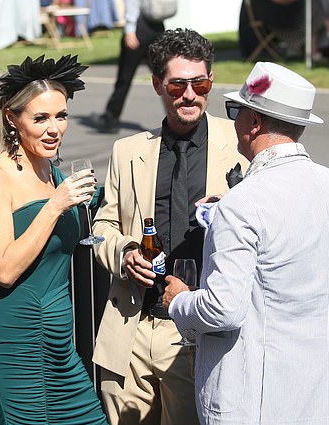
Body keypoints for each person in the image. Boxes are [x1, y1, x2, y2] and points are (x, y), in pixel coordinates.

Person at [163, 62, 329, 424]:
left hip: (258, 406)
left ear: (254, 123)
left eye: (236, 111)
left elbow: (222, 309)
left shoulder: (243, 203)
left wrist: (179, 300)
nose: (234, 122)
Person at [91, 28, 247, 425]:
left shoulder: (241, 144)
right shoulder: (127, 152)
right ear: (158, 83)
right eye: (178, 84)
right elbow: (104, 224)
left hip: (198, 334)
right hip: (131, 332)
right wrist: (125, 253)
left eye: (202, 83)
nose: (191, 94)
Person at [0, 55, 108, 425]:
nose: (54, 129)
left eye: (61, 115)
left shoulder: (51, 170)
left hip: (59, 347)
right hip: (13, 346)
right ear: (11, 117)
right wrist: (55, 206)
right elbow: (4, 270)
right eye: (40, 118)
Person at [93, 0, 172, 133]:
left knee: (125, 77)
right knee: (164, 77)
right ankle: (175, 117)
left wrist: (129, 30)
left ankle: (111, 118)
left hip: (138, 30)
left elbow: (132, 5)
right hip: (158, 29)